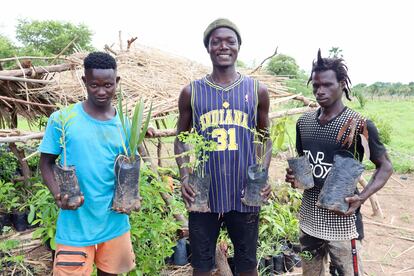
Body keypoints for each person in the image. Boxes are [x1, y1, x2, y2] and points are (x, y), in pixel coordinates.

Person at [174, 18, 272, 276]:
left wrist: (262, 175)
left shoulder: (257, 90)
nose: (223, 46)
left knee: (247, 265)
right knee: (201, 266)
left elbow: (265, 137)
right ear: (207, 47)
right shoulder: (191, 92)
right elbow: (181, 137)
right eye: (216, 41)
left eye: (230, 41)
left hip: (244, 191)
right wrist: (185, 176)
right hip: (204, 192)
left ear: (239, 46)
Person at [285, 50, 393, 275]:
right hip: (309, 222)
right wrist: (295, 178)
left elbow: (386, 166)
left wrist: (361, 197)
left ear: (342, 84)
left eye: (326, 84)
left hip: (342, 225)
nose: (319, 91)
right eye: (315, 85)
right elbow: (306, 168)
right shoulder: (304, 123)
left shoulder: (358, 124)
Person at [39, 52, 137, 276]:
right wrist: (58, 195)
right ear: (84, 81)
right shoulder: (63, 119)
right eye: (94, 85)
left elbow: (129, 165)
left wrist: (142, 132)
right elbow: (45, 164)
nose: (101, 91)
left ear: (117, 83)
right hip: (75, 224)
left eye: (108, 85)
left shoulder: (125, 124)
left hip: (115, 224)